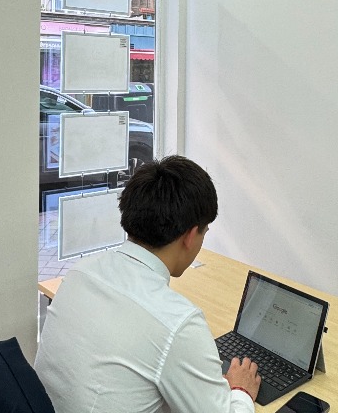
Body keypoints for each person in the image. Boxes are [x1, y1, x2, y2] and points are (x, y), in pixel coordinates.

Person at [34, 155, 260, 412]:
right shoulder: (178, 323)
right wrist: (241, 391)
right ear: (189, 236)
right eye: (204, 233)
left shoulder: (79, 274)